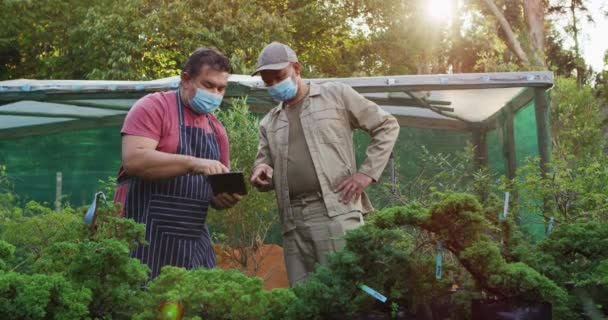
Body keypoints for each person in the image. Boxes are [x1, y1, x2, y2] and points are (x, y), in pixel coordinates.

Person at [250, 42, 400, 286]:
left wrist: (366, 174)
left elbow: (386, 125)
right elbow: (262, 163)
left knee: (346, 292)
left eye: (279, 77)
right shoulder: (269, 122)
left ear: (296, 68)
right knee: (305, 299)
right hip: (292, 221)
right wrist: (261, 172)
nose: (274, 85)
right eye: (268, 82)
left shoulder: (336, 94)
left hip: (336, 210)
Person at [114, 48, 242, 278]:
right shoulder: (153, 107)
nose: (215, 93)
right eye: (208, 85)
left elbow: (215, 196)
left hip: (192, 241)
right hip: (142, 236)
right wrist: (193, 163)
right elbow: (134, 159)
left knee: (199, 305)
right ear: (185, 80)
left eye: (221, 88)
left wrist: (224, 198)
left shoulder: (217, 130)